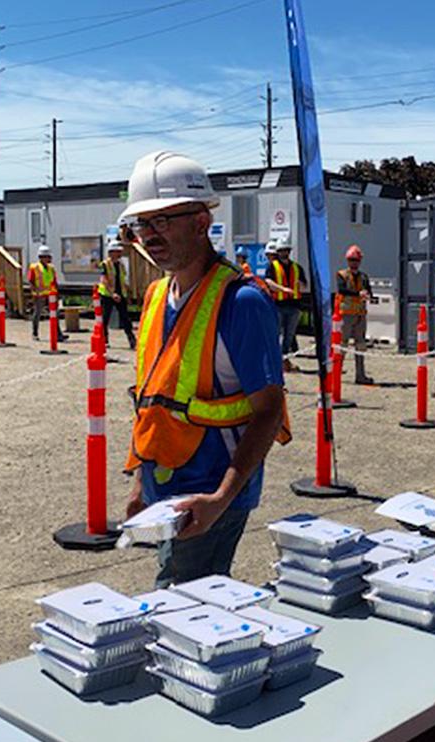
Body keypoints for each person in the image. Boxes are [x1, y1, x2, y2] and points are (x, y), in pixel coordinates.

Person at [119, 150, 289, 587]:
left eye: (162, 221)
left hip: (212, 494)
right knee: (180, 604)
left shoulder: (242, 302)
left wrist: (219, 498)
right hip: (164, 488)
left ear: (200, 221)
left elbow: (269, 411)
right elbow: (153, 398)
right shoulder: (158, 295)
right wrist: (141, 482)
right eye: (142, 224)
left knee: (178, 604)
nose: (149, 235)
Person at [266, 236, 306, 372]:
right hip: (279, 305)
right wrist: (282, 289)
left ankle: (284, 361)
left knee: (289, 336)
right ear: (278, 252)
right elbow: (268, 282)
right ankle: (278, 362)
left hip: (294, 306)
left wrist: (301, 285)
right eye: (282, 250)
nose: (285, 253)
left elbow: (305, 285)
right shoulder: (273, 266)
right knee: (277, 335)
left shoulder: (297, 267)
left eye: (287, 250)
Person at [335, 244, 374, 385]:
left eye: (356, 260)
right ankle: (336, 372)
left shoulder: (364, 277)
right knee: (342, 344)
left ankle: (360, 375)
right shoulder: (341, 275)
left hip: (360, 314)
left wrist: (368, 295)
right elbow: (341, 290)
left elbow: (370, 291)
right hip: (346, 314)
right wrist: (358, 294)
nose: (354, 263)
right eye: (352, 260)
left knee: (360, 345)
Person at [98, 239, 136, 350]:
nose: (120, 253)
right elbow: (104, 280)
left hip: (120, 294)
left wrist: (127, 294)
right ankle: (104, 340)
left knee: (125, 318)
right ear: (111, 252)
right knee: (105, 318)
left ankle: (132, 340)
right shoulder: (105, 264)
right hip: (107, 295)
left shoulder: (121, 265)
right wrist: (112, 293)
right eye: (118, 251)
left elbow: (123, 280)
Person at [27, 245, 67, 342]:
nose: (50, 259)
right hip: (39, 295)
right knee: (37, 313)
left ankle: (58, 334)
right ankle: (35, 333)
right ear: (42, 257)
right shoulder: (34, 267)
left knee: (54, 314)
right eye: (48, 257)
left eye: (50, 257)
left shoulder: (51, 268)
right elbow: (31, 281)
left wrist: (56, 293)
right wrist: (34, 292)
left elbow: (54, 281)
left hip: (51, 295)